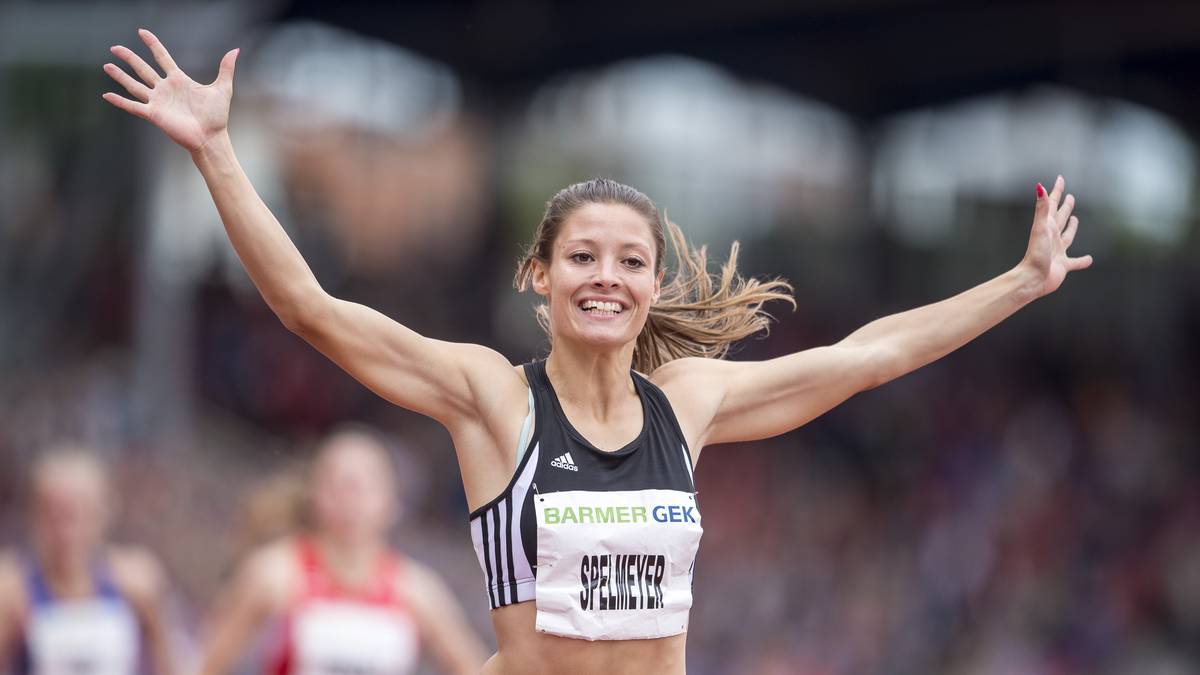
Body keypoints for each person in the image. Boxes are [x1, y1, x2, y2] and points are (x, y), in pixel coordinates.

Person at [102, 29, 1093, 675]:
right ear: (540, 276)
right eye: (582, 256)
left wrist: (1021, 281)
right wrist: (217, 153)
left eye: (629, 260)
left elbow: (870, 356)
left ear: (654, 284)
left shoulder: (691, 401)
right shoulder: (494, 402)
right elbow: (311, 307)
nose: (605, 276)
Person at [198, 427, 487, 675]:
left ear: (392, 502)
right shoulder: (273, 575)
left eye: (362, 486)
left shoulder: (417, 592)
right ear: (314, 495)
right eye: (338, 484)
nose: (350, 499)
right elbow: (203, 666)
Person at [0, 447, 176, 675]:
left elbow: (168, 666)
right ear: (35, 516)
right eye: (52, 516)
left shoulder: (138, 584)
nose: (65, 532)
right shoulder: (13, 590)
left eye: (75, 516)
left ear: (101, 515)